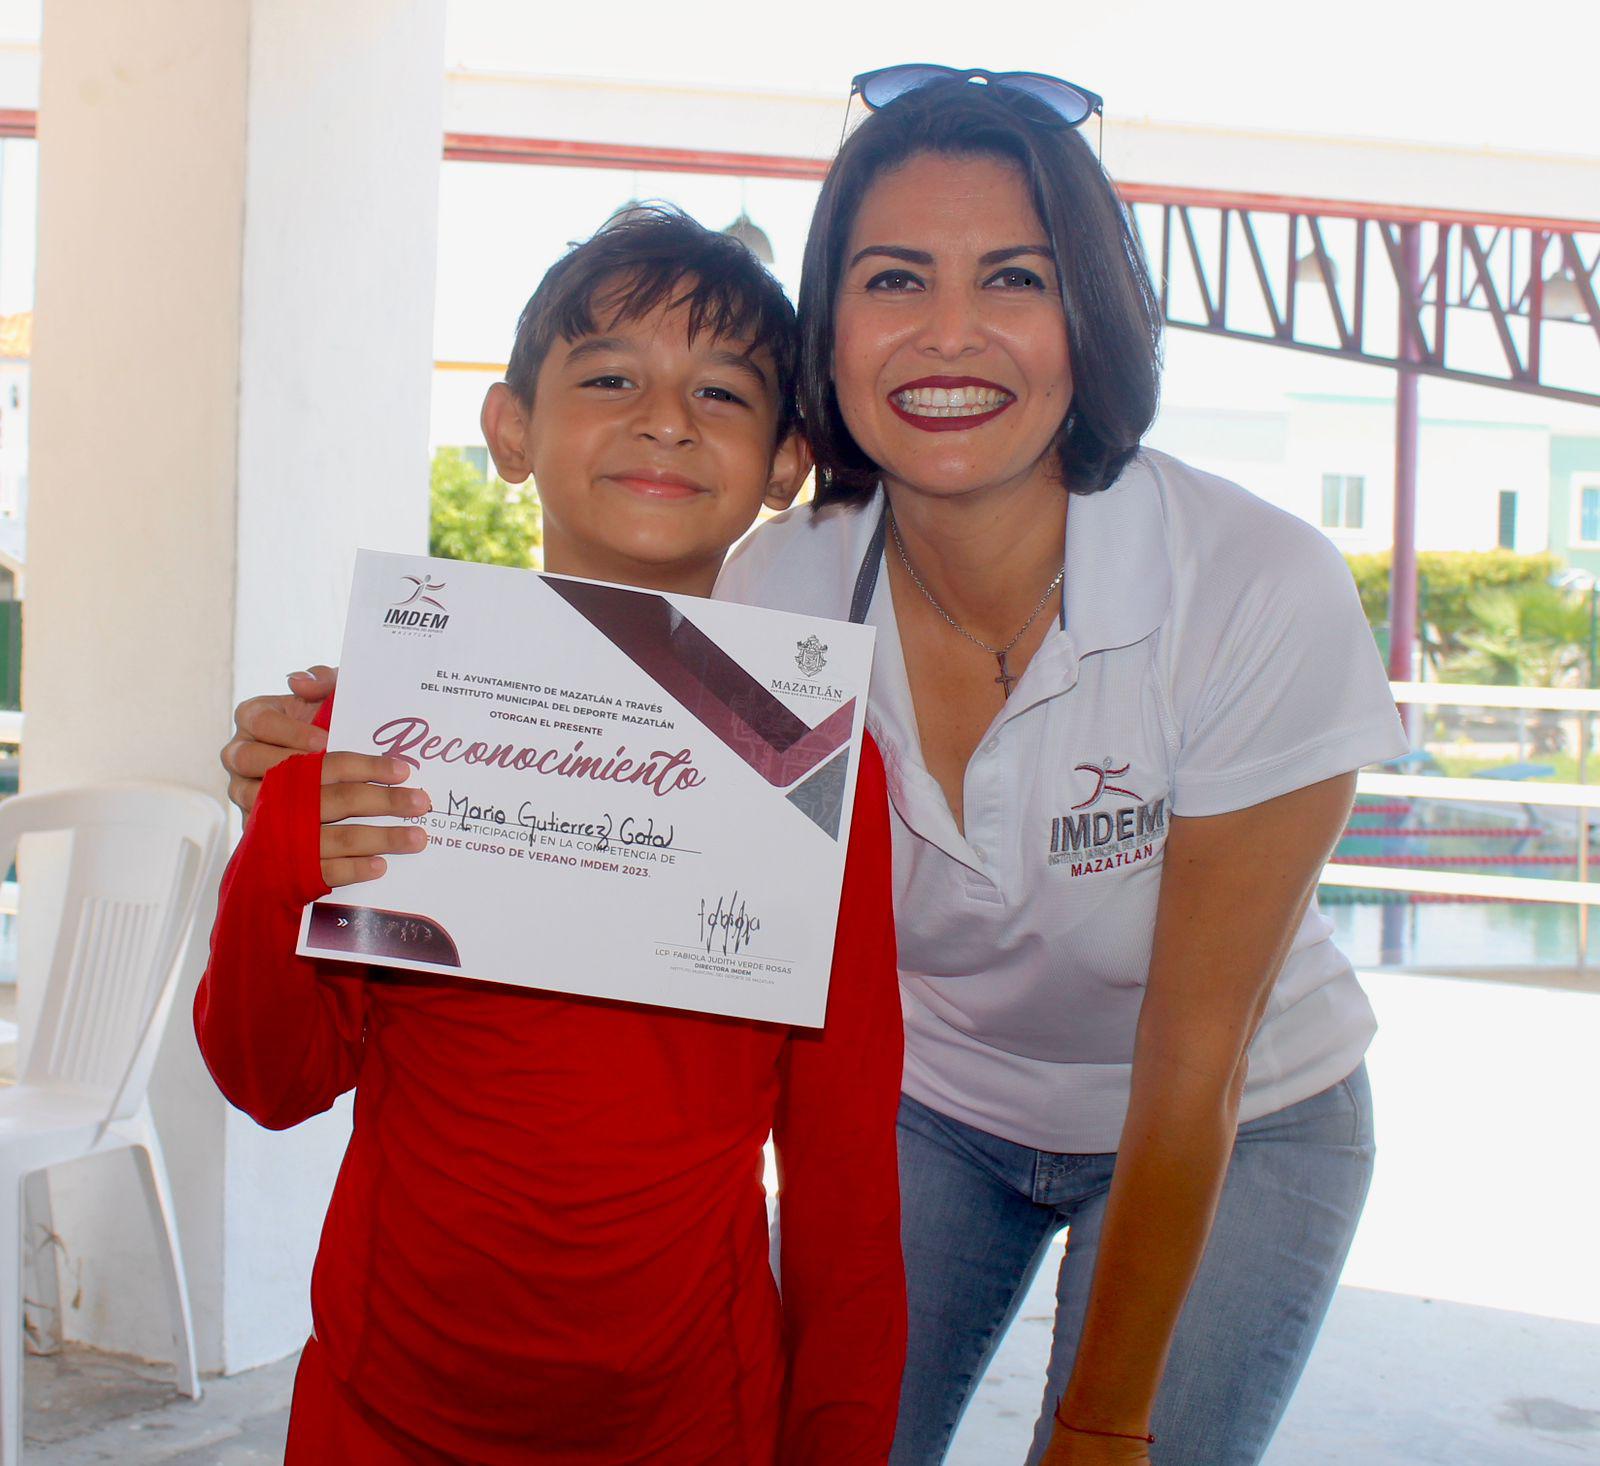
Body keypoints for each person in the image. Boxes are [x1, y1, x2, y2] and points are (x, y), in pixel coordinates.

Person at [222, 71, 1408, 1466]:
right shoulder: (771, 598)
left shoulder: (1256, 584)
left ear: (1091, 314)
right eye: (896, 276)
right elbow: (555, 766)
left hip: (1237, 1104)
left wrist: (1099, 1419)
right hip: (941, 1098)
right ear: (834, 341)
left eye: (1014, 277)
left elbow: (1192, 1050)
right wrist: (306, 789)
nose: (949, 329)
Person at [196, 207, 906, 1465]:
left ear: (785, 462)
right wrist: (282, 849)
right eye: (611, 376)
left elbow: (845, 1177)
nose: (665, 418)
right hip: (382, 1407)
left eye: (722, 393)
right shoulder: (391, 724)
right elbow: (274, 1080)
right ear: (511, 430)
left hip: (693, 1418)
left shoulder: (813, 774)